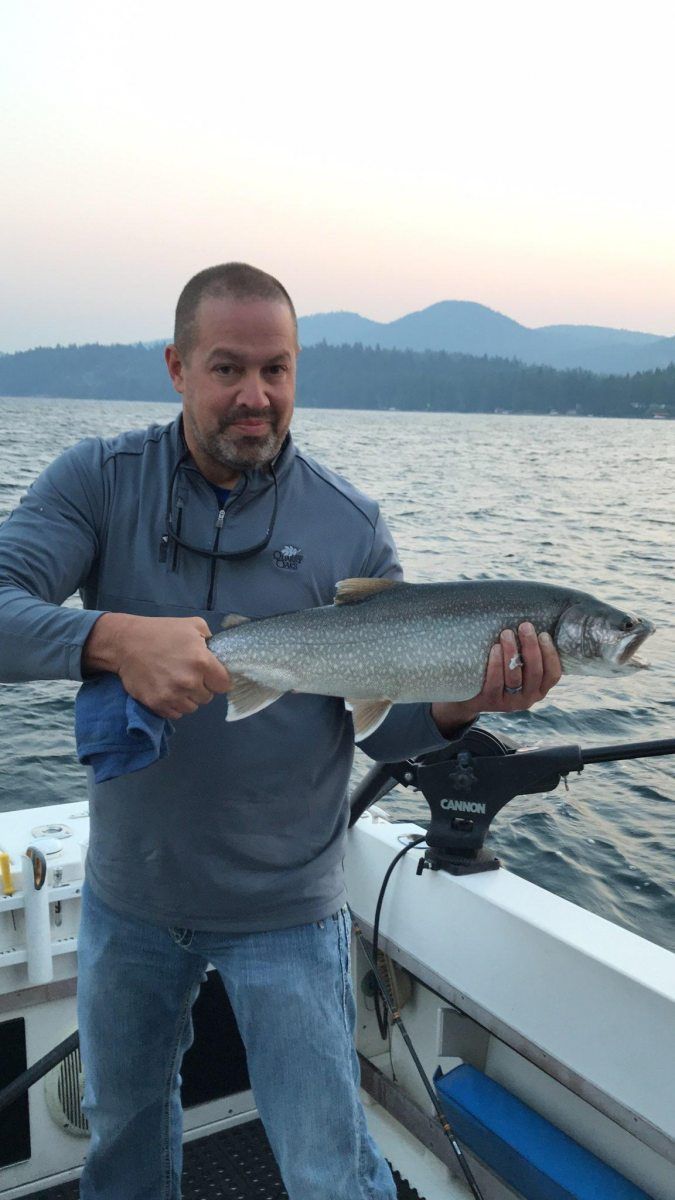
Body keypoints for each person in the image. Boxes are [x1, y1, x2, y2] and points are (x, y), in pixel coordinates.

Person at [0, 263, 561, 1199]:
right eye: (227, 369)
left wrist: (466, 702)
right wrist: (106, 636)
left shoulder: (350, 528)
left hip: (289, 908)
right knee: (123, 1146)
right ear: (176, 367)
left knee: (328, 1164)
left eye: (277, 369)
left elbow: (386, 737)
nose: (255, 397)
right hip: (131, 896)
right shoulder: (98, 482)